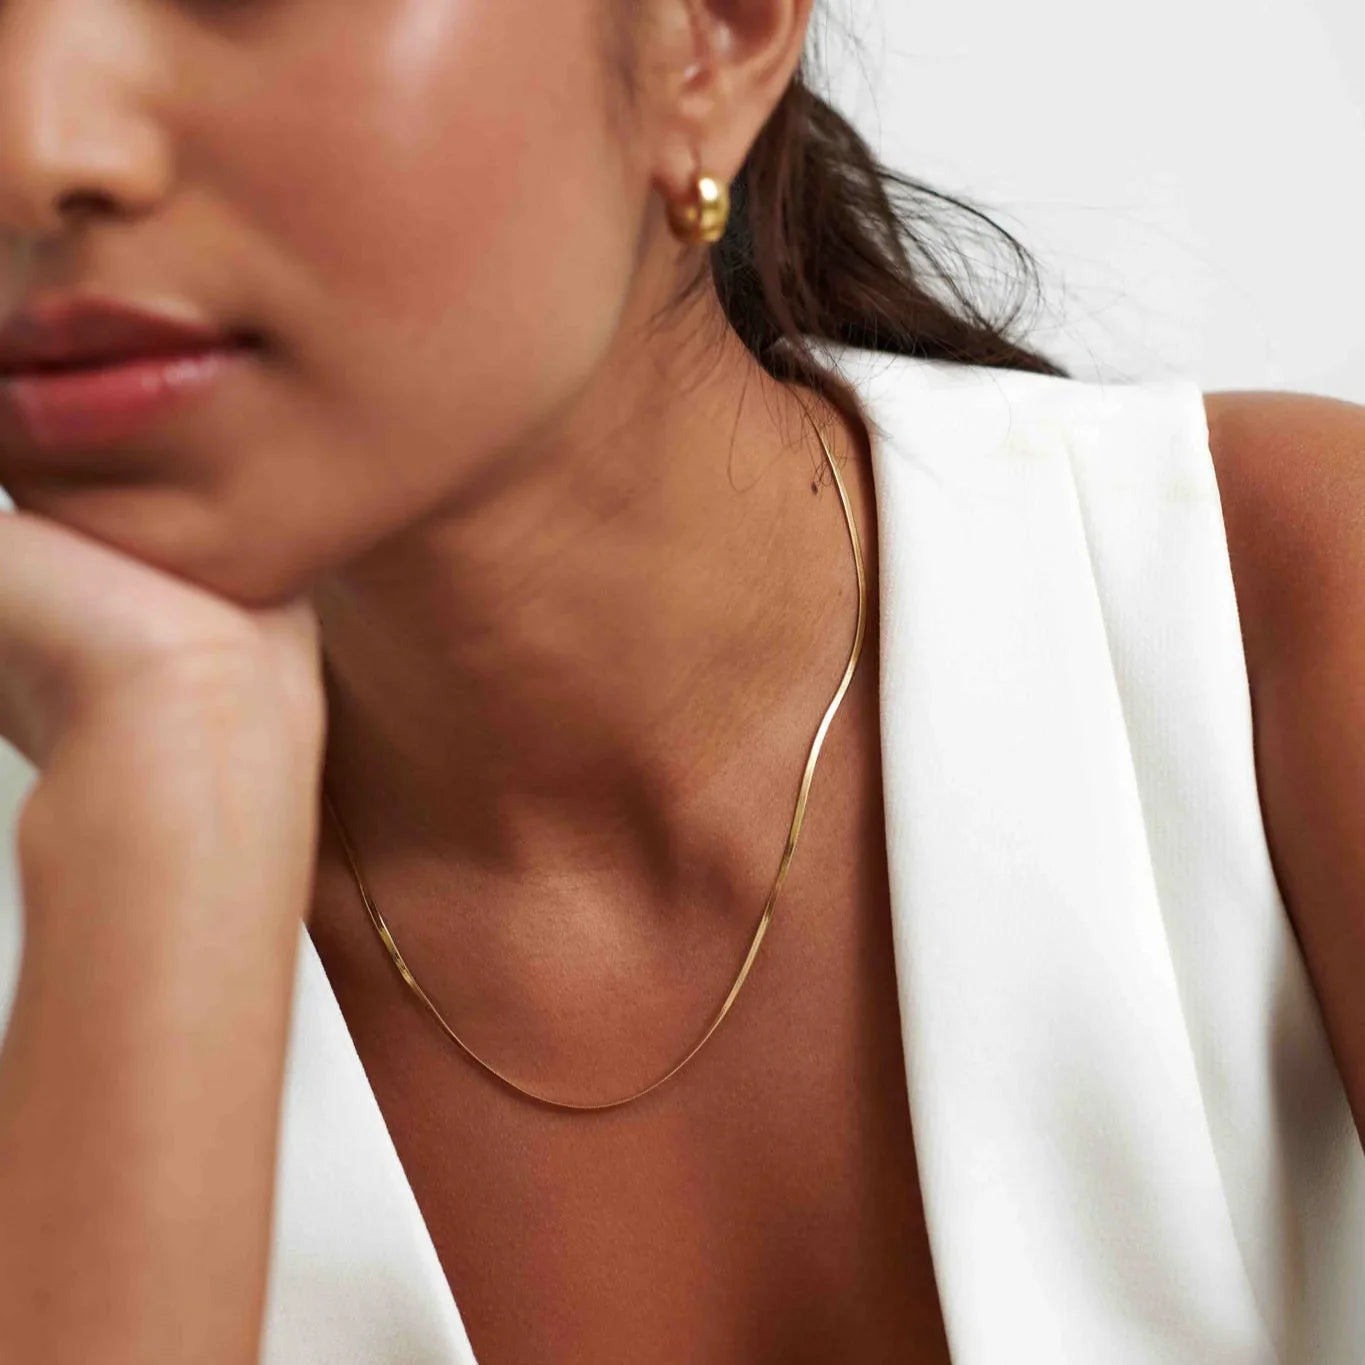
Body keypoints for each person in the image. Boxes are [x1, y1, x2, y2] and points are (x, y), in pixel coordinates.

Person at [0, 1, 1360, 1361]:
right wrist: (164, 825)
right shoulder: (88, 856)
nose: (30, 142)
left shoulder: (1280, 600)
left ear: (708, 37)